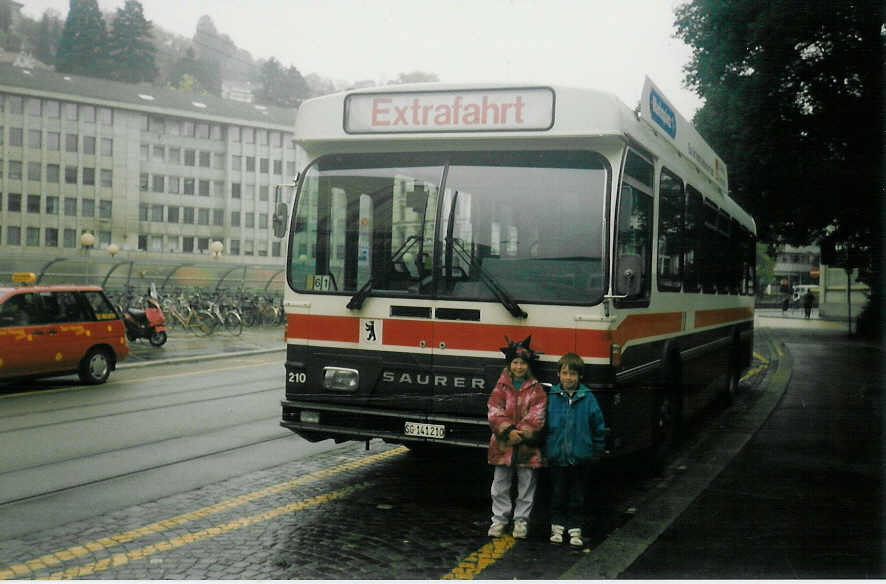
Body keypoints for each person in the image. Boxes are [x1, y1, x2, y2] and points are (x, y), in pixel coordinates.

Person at [486, 336, 547, 539]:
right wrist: (507, 431)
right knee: (499, 485)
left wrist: (519, 434)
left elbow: (537, 416)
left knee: (526, 485)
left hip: (526, 447)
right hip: (503, 445)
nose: (519, 367)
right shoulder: (500, 387)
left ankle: (521, 521)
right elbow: (494, 410)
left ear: (528, 366)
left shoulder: (536, 389)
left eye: (522, 363)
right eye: (515, 362)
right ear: (509, 365)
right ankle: (499, 520)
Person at [545, 352, 606, 548]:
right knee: (557, 493)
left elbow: (598, 425)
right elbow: (544, 426)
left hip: (581, 457)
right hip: (557, 457)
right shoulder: (552, 397)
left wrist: (597, 449)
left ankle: (575, 528)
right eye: (565, 373)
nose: (569, 378)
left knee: (577, 495)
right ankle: (557, 527)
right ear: (558, 375)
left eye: (573, 374)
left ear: (580, 376)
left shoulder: (588, 398)